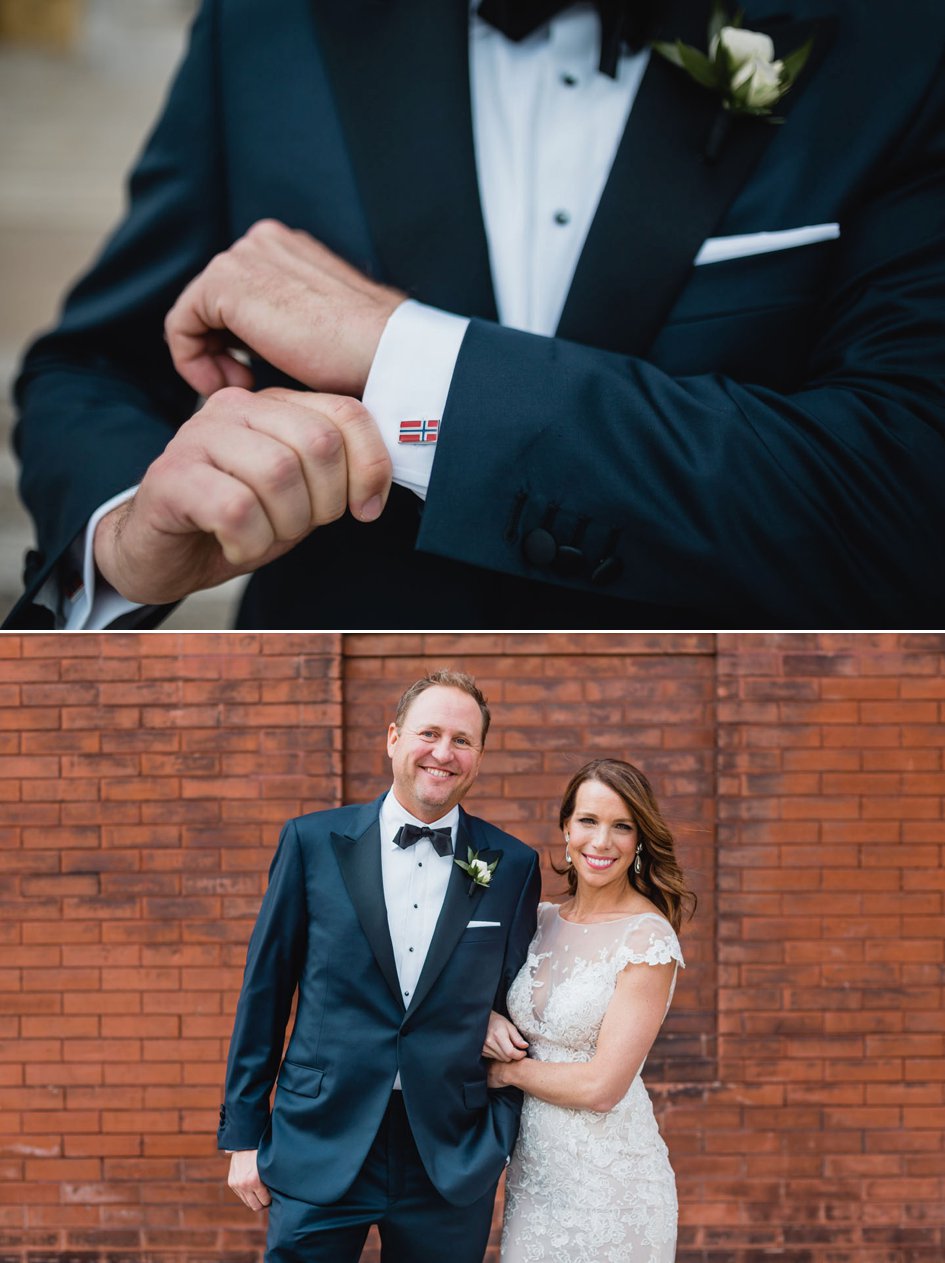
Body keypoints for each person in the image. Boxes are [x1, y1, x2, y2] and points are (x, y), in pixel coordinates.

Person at [7, 0, 945, 630]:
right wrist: (123, 540)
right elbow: (95, 367)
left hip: (757, 787)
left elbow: (905, 491)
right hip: (336, 786)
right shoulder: (268, 23)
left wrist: (409, 361)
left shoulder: (900, 42)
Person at [216, 670, 541, 1262]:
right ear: (393, 737)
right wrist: (243, 1138)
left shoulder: (512, 864)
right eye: (429, 733)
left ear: (479, 756)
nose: (443, 753)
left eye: (462, 741)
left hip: (449, 1152)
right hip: (319, 1137)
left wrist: (497, 1129)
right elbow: (265, 992)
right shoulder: (311, 842)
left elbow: (521, 1004)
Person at [483, 758, 694, 1262]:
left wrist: (507, 1073)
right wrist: (487, 1020)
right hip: (534, 1182)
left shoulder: (646, 939)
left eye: (622, 826)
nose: (601, 842)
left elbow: (602, 1088)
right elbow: (474, 995)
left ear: (640, 840)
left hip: (612, 1189)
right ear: (566, 827)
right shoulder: (536, 920)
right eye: (589, 821)